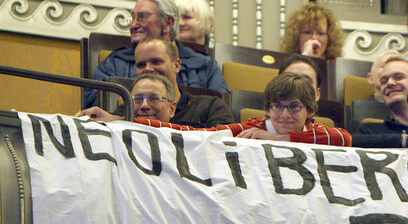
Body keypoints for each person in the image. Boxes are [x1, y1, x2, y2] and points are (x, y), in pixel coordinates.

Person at [89, 73, 351, 146]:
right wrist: (123, 120)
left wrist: (277, 139)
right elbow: (190, 132)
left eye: (294, 107)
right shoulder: (251, 130)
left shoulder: (319, 133)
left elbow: (344, 138)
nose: (284, 115)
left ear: (309, 110)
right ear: (267, 109)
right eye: (277, 107)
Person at [87, 0, 229, 108]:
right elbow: (95, 103)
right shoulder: (115, 62)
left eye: (142, 17)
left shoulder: (205, 64)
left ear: (168, 23)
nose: (133, 25)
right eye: (133, 18)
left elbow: (222, 106)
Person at [83, 37, 234, 128]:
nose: (148, 69)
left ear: (177, 65)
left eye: (156, 61)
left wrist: (125, 121)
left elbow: (221, 144)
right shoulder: (128, 109)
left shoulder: (211, 107)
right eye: (141, 65)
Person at [280, 2, 344, 59]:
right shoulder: (284, 66)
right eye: (307, 32)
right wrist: (305, 56)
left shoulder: (335, 68)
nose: (314, 38)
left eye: (321, 33)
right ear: (296, 36)